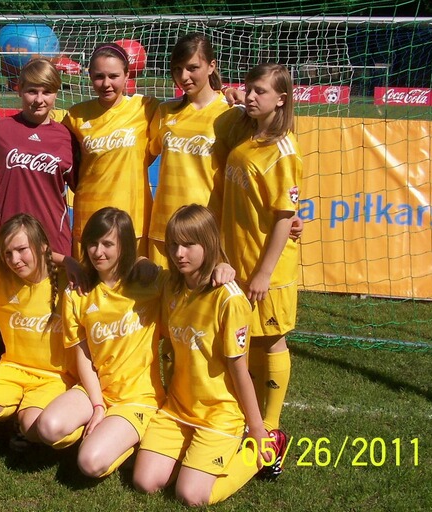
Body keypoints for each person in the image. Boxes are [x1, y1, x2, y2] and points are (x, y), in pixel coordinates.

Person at [133, 204, 283, 506]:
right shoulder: (171, 285)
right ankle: (191, 457)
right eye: (174, 244)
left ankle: (267, 449)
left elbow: (240, 371)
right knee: (144, 482)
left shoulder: (229, 300)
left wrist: (257, 429)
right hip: (178, 409)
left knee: (191, 495)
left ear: (209, 243)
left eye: (189, 244)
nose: (179, 253)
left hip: (219, 415)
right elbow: (134, 262)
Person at [36, 207, 166, 478]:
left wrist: (222, 267)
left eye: (108, 244)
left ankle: (135, 439)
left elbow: (191, 281)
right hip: (96, 390)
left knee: (90, 463)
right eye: (93, 243)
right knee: (48, 427)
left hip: (137, 398)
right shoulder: (78, 292)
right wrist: (97, 405)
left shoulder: (149, 283)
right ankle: (104, 431)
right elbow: (83, 356)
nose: (98, 252)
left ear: (125, 246)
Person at [220, 63, 303, 456]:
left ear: (281, 99)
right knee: (246, 338)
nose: (252, 96)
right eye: (249, 88)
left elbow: (285, 217)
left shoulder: (283, 150)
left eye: (261, 92)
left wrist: (264, 273)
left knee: (271, 341)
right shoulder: (249, 132)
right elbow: (234, 98)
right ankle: (249, 417)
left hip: (266, 268)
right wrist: (234, 96)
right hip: (239, 259)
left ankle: (271, 428)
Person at [0, 214, 76, 451]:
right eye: (8, 253)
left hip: (56, 376)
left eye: (21, 250)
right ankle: (22, 408)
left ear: (43, 247)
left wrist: (68, 261)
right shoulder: (0, 281)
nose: (15, 260)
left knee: (34, 427)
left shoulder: (67, 282)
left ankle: (31, 418)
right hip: (13, 368)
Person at [148, 33, 244, 268]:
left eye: (192, 68)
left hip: (207, 231)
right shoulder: (165, 111)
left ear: (211, 66)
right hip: (165, 230)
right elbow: (139, 159)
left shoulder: (233, 113)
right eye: (178, 69)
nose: (183, 77)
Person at [63, 43, 158, 256]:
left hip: (133, 217)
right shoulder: (75, 115)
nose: (106, 84)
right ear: (90, 76)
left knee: (133, 276)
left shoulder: (146, 108)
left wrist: (226, 92)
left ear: (127, 75)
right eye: (99, 76)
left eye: (114, 76)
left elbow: (187, 105)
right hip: (89, 216)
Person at [0, 58, 78, 256]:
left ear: (56, 93)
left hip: (52, 241)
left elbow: (82, 187)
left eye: (47, 92)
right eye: (32, 91)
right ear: (19, 89)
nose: (39, 100)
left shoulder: (67, 137)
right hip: (5, 239)